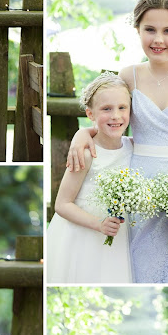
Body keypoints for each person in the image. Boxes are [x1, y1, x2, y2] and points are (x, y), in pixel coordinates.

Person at [67, 0, 168, 283]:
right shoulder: (129, 76)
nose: (158, 39)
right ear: (137, 29)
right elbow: (109, 118)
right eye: (149, 29)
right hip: (138, 192)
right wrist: (81, 133)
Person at [47, 73, 134, 283]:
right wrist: (99, 224)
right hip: (83, 237)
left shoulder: (134, 148)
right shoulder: (86, 153)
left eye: (122, 108)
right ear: (90, 113)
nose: (116, 116)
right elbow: (62, 204)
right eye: (106, 109)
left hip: (119, 238)